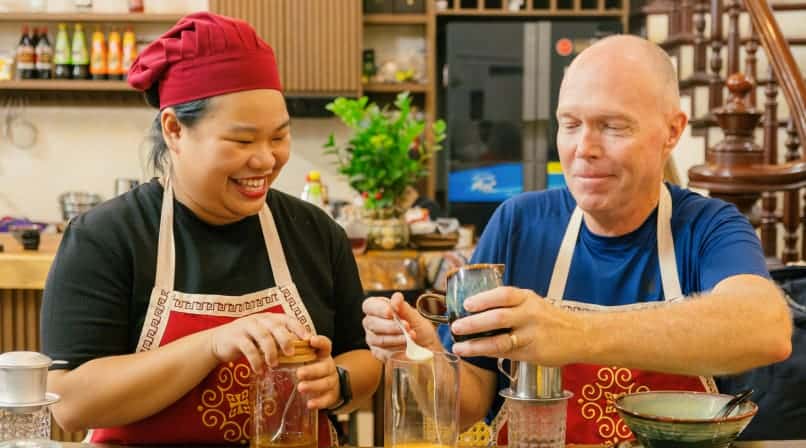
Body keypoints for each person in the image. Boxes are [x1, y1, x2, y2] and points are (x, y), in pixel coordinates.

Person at [362, 35, 793, 446]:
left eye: (613, 127)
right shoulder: (517, 224)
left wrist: (572, 332)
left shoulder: (708, 227)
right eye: (569, 124)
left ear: (672, 131)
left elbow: (766, 329)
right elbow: (467, 408)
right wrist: (425, 357)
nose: (583, 148)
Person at [40, 12, 380, 446]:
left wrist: (339, 380)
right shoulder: (107, 237)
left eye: (278, 137)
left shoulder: (314, 231)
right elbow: (70, 404)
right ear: (174, 129)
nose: (266, 159)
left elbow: (363, 357)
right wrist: (211, 345)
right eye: (242, 141)